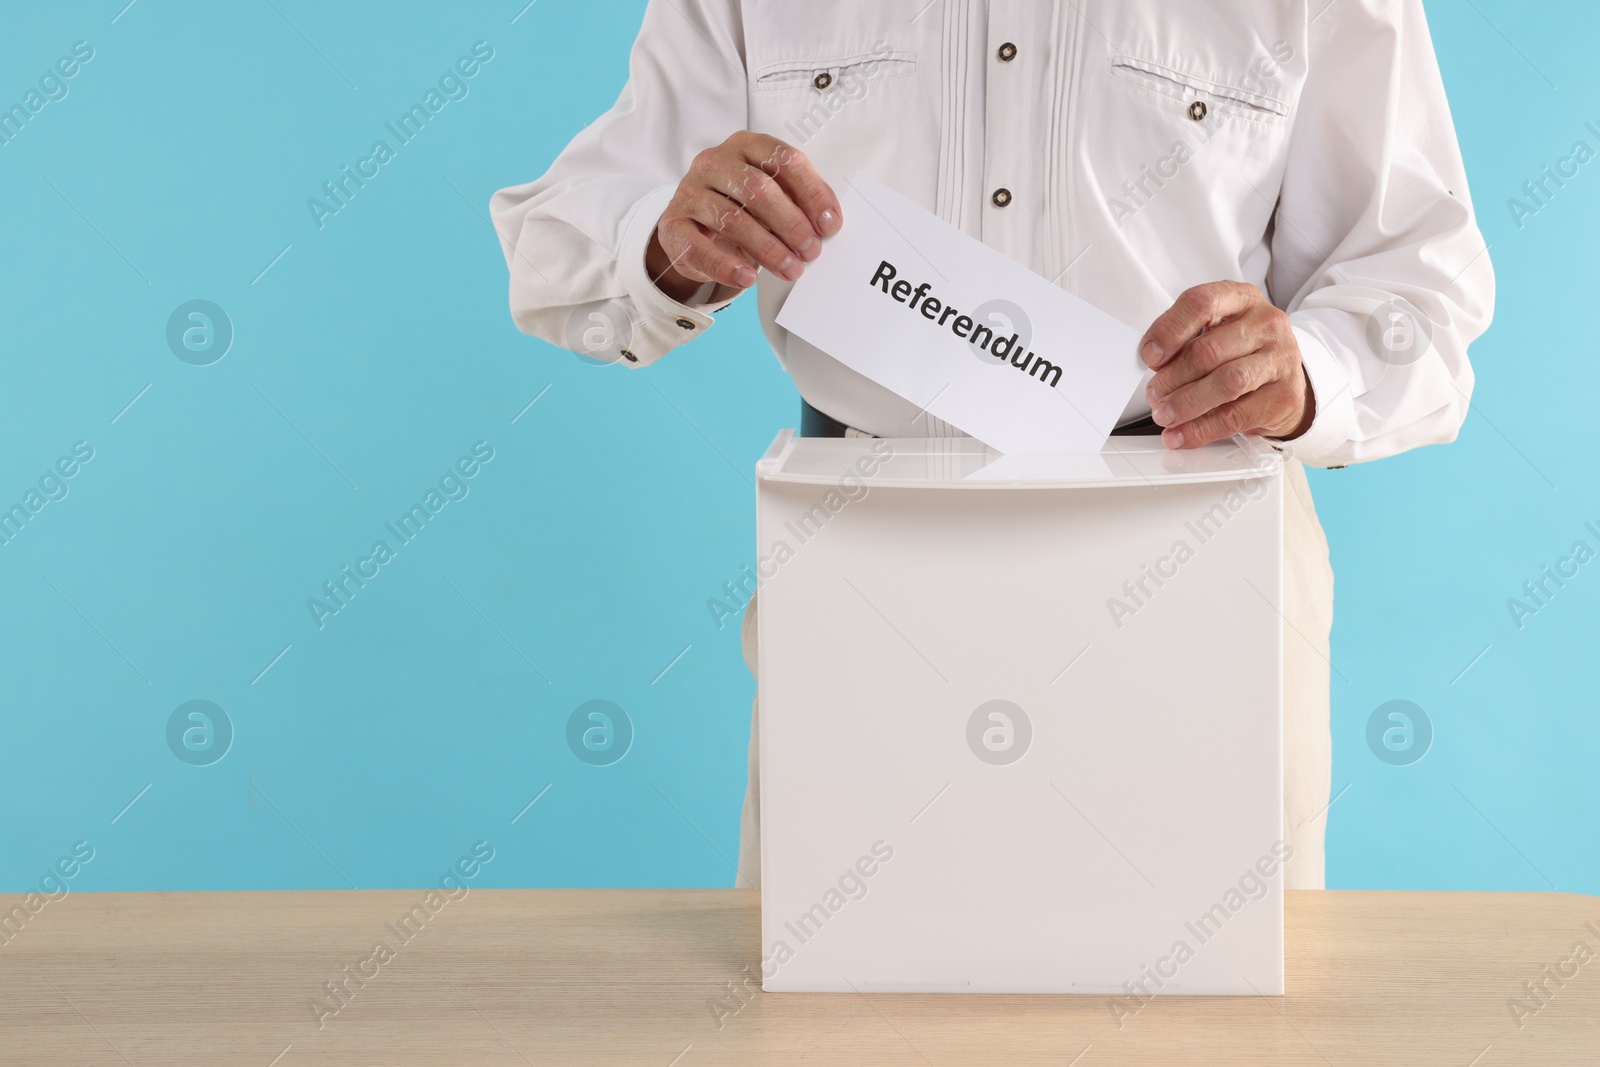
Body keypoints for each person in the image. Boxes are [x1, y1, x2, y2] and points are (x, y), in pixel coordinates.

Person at [490, 0, 1494, 891]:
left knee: (1218, 1017)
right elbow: (560, 248)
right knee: (833, 1008)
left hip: (1198, 551)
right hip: (863, 555)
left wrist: (1306, 367)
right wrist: (666, 244)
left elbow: (1421, 288)